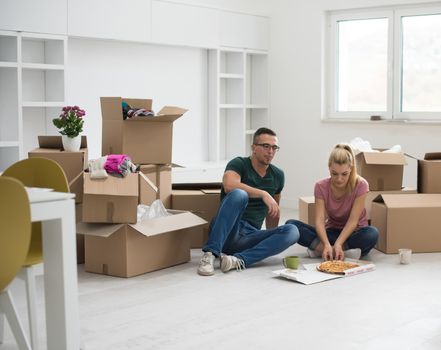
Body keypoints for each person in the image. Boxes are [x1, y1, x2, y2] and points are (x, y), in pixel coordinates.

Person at [197, 127, 299, 276]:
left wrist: (272, 237)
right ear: (253, 148)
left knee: (292, 231)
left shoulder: (278, 175)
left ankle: (238, 260)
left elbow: (273, 211)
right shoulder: (239, 163)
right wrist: (263, 193)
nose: (270, 151)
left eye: (274, 147)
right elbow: (229, 185)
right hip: (228, 231)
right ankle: (210, 254)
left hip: (249, 237)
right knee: (239, 194)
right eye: (265, 146)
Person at [286, 143, 378, 261]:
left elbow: (353, 221)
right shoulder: (320, 186)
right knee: (291, 226)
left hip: (354, 232)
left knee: (372, 234)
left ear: (351, 168)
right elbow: (319, 220)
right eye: (334, 173)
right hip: (332, 232)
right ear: (329, 167)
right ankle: (337, 251)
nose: (339, 179)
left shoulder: (361, 184)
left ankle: (322, 250)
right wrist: (326, 244)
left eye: (344, 174)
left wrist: (339, 243)